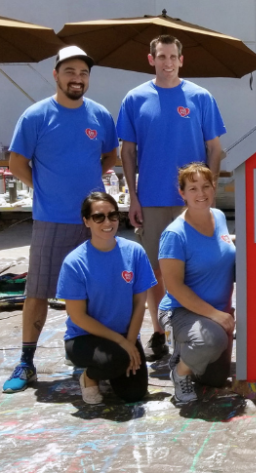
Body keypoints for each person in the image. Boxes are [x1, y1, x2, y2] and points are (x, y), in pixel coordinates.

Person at [4, 47, 118, 393]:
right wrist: (45, 189)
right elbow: (17, 160)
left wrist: (87, 188)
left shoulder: (99, 115)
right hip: (51, 218)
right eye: (70, 71)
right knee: (37, 290)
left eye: (83, 73)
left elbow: (110, 154)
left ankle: (94, 356)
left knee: (96, 290)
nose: (77, 78)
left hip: (94, 220)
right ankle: (26, 362)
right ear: (56, 75)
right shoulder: (36, 115)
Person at [117, 35, 226, 361]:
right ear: (151, 60)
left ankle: (190, 330)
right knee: (156, 272)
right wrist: (133, 198)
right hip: (151, 199)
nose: (167, 62)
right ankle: (159, 332)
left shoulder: (200, 97)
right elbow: (127, 151)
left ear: (181, 60)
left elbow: (215, 149)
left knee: (193, 269)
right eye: (161, 56)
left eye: (172, 57)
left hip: (191, 202)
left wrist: (209, 192)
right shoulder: (135, 99)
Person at [58, 193, 156, 404]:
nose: (107, 222)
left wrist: (130, 341)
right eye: (98, 217)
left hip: (124, 335)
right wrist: (122, 343)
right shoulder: (74, 262)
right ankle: (89, 376)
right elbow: (77, 316)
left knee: (133, 394)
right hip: (84, 337)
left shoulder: (135, 252)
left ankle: (110, 368)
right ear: (86, 221)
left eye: (112, 215)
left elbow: (140, 303)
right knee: (116, 359)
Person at [158, 163, 236, 403]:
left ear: (214, 187)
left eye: (205, 186)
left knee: (215, 380)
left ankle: (187, 353)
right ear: (182, 193)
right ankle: (179, 372)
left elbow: (221, 252)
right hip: (180, 311)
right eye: (193, 188)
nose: (200, 194)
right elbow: (175, 288)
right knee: (212, 340)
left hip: (215, 313)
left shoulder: (220, 217)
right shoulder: (175, 234)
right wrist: (216, 315)